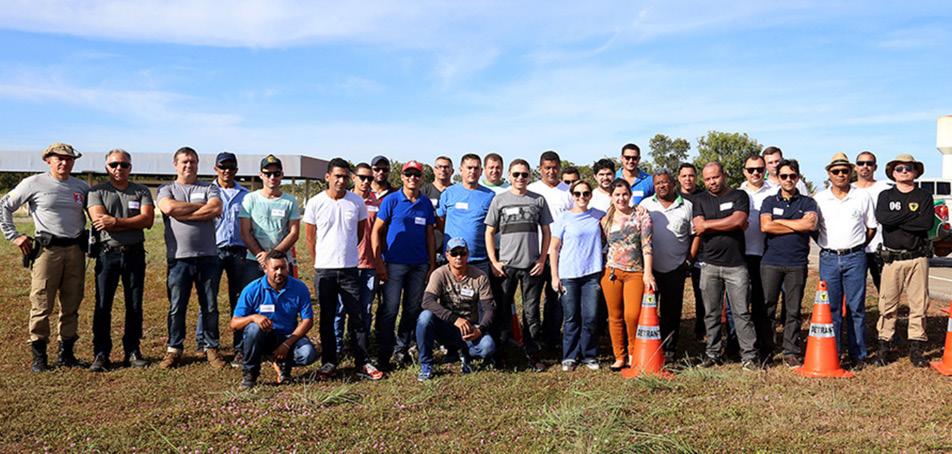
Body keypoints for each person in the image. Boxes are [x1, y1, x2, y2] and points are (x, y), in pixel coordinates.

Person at [1, 142, 89, 372]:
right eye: (58, 158)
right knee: (41, 303)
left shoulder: (81, 186)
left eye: (68, 159)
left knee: (72, 302)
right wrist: (15, 236)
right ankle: (39, 356)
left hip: (75, 251)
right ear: (48, 160)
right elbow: (4, 206)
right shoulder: (33, 183)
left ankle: (67, 353)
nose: (64, 162)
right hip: (47, 252)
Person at [303, 158, 383, 380]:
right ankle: (329, 361)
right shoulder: (315, 203)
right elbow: (310, 238)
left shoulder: (356, 202)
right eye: (337, 176)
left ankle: (362, 361)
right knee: (328, 318)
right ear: (327, 177)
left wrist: (346, 256)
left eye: (344, 176)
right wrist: (320, 261)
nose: (341, 180)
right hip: (325, 271)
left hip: (350, 269)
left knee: (357, 317)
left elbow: (358, 235)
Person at [156, 147, 226, 369]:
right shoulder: (166, 189)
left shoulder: (209, 187)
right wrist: (200, 209)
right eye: (184, 162)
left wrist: (183, 212)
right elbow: (168, 207)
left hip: (208, 257)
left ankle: (211, 348)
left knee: (210, 306)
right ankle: (174, 349)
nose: (189, 166)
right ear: (175, 164)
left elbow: (216, 208)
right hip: (179, 259)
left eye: (193, 162)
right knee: (177, 306)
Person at [87, 149, 155, 372]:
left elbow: (147, 220)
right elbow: (99, 220)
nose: (119, 169)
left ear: (130, 167)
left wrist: (114, 221)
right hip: (108, 254)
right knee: (103, 305)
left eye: (124, 165)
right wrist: (128, 222)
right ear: (107, 167)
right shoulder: (97, 191)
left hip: (134, 254)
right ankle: (101, 353)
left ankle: (133, 351)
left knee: (134, 304)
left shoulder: (141, 191)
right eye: (114, 164)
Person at [485, 159, 552, 371]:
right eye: (516, 174)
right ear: (510, 176)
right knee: (503, 311)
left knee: (531, 312)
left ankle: (533, 354)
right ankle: (502, 354)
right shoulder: (500, 200)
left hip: (531, 266)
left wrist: (542, 259)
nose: (520, 178)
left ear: (529, 176)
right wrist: (494, 262)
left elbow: (547, 232)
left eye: (524, 174)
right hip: (506, 267)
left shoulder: (538, 200)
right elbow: (489, 232)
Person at [693, 162, 760, 370]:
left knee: (741, 312)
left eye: (715, 177)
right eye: (708, 179)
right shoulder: (699, 199)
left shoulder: (739, 195)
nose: (712, 182)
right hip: (709, 265)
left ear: (724, 175)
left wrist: (709, 225)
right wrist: (725, 222)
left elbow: (739, 221)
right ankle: (713, 353)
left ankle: (749, 355)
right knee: (711, 313)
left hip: (736, 266)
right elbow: (698, 225)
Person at [814, 152, 876, 370]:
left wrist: (855, 247)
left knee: (856, 308)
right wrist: (828, 246)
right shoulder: (819, 199)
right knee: (830, 308)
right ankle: (834, 353)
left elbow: (871, 228)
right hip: (829, 257)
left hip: (855, 257)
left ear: (851, 172)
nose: (840, 175)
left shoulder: (862, 197)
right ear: (829, 174)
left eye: (844, 171)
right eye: (835, 171)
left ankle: (858, 354)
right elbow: (814, 229)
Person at [373, 160, 437, 370]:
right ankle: (384, 352)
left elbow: (429, 235)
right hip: (394, 265)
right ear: (401, 177)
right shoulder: (391, 200)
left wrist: (431, 263)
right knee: (389, 309)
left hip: (419, 265)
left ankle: (402, 348)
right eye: (408, 174)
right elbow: (377, 231)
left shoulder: (426, 203)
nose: (412, 178)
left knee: (411, 309)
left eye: (416, 175)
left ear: (421, 178)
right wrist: (379, 261)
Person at [875, 154, 934, 368]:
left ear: (916, 171)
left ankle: (916, 348)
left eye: (908, 168)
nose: (904, 171)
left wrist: (898, 220)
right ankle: (884, 346)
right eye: (899, 168)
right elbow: (883, 219)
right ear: (892, 172)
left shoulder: (924, 196)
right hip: (892, 259)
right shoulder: (885, 195)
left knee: (919, 304)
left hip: (917, 258)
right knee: (887, 304)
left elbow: (925, 223)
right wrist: (911, 216)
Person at [759, 159, 817, 367]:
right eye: (784, 176)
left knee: (793, 310)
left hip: (796, 263)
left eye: (792, 176)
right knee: (768, 308)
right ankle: (766, 349)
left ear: (798, 177)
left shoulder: (808, 202)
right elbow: (765, 227)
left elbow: (810, 223)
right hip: (771, 262)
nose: (788, 180)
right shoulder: (769, 201)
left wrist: (780, 222)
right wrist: (797, 225)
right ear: (779, 178)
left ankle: (791, 351)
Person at [231, 250, 318, 389]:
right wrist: (254, 317)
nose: (279, 272)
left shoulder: (299, 287)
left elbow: (308, 320)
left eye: (283, 268)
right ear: (265, 268)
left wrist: (287, 345)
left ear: (288, 267)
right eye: (275, 268)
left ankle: (283, 364)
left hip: (288, 336)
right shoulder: (252, 289)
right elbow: (234, 323)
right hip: (263, 337)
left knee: (307, 354)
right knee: (253, 328)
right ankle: (250, 374)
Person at [416, 238, 497, 381]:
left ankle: (465, 353)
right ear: (447, 255)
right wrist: (455, 319)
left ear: (468, 254)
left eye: (462, 253)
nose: (458, 257)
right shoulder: (439, 274)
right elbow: (427, 301)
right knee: (425, 317)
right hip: (446, 325)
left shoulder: (480, 277)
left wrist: (480, 330)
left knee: (488, 346)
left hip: (470, 328)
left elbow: (488, 309)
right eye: (454, 253)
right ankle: (426, 364)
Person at [550, 180, 604, 371]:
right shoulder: (563, 218)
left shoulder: (598, 215)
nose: (582, 197)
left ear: (591, 195)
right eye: (578, 194)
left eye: (586, 193)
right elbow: (554, 248)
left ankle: (589, 354)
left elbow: (621, 216)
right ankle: (570, 356)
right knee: (571, 317)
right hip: (569, 274)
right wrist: (555, 276)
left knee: (590, 317)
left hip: (591, 274)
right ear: (572, 195)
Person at [600, 179, 654, 371]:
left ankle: (633, 352)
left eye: (624, 194)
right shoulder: (605, 219)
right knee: (614, 316)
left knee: (632, 315)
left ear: (630, 195)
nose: (621, 198)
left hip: (635, 272)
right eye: (617, 195)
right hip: (612, 272)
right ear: (611, 197)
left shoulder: (641, 215)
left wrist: (648, 272)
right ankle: (619, 356)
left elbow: (647, 244)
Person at [640, 170, 694, 360]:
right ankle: (649, 348)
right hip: (651, 270)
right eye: (657, 183)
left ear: (673, 183)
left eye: (665, 182)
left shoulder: (687, 206)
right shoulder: (646, 205)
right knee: (649, 310)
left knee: (671, 312)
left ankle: (670, 350)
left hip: (676, 268)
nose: (661, 186)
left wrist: (689, 260)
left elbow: (695, 235)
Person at [207, 152, 254, 364]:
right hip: (213, 250)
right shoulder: (207, 191)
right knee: (209, 299)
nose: (227, 171)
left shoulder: (245, 195)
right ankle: (208, 344)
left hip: (239, 252)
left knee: (239, 299)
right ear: (215, 168)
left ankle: (240, 346)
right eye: (223, 167)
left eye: (231, 167)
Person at [527, 151, 573, 354]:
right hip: (535, 254)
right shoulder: (531, 190)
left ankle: (552, 338)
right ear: (540, 169)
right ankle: (533, 339)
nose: (551, 171)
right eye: (547, 168)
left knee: (555, 299)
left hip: (560, 255)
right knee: (532, 299)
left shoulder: (568, 192)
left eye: (555, 167)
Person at [332, 162, 379, 359]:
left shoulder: (378, 203)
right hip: (347, 264)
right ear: (354, 178)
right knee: (340, 309)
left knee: (365, 310)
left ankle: (360, 346)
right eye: (362, 177)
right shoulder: (346, 200)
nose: (366, 182)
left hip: (369, 265)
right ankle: (336, 347)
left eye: (370, 178)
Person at [739, 154, 777, 360]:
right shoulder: (738, 193)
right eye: (751, 169)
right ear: (744, 171)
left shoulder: (775, 191)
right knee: (739, 304)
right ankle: (739, 345)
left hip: (767, 255)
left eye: (760, 169)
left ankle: (766, 347)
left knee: (764, 304)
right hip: (742, 255)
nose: (756, 173)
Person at [240, 155, 301, 275]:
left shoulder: (290, 201)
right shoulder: (250, 199)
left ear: (282, 175)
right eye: (268, 174)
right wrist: (261, 255)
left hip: (281, 261)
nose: (272, 177)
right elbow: (245, 232)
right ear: (261, 175)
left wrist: (273, 255)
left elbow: (294, 233)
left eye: (276, 173)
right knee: (255, 293)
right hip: (255, 260)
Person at [437, 154, 496, 273]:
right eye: (469, 168)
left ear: (481, 171)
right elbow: (440, 221)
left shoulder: (490, 195)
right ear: (461, 170)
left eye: (476, 168)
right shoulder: (449, 193)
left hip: (479, 260)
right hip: (453, 259)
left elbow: (493, 226)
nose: (472, 171)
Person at [852, 150, 893, 292]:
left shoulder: (886, 190)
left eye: (869, 163)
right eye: (861, 163)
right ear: (855, 167)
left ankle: (886, 314)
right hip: (856, 248)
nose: (865, 166)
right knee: (855, 288)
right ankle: (855, 314)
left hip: (879, 248)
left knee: (884, 288)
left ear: (875, 167)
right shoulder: (848, 189)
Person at [677, 162, 706, 341]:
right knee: (675, 294)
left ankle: (701, 328)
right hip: (678, 250)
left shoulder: (703, 196)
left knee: (701, 292)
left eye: (691, 175)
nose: (688, 179)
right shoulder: (674, 197)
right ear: (679, 178)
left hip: (701, 251)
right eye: (684, 176)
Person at [422, 156, 454, 260]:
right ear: (434, 170)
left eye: (446, 167)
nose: (443, 170)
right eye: (439, 167)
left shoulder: (457, 192)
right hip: (428, 247)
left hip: (452, 248)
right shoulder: (424, 192)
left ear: (452, 171)